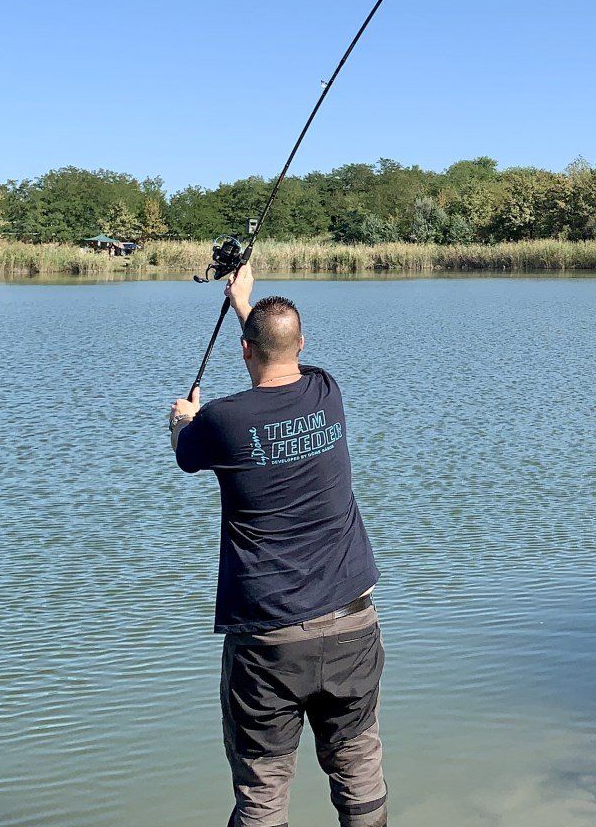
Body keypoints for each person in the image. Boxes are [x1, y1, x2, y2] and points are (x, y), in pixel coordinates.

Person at [169, 261, 387, 827]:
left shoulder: (220, 420)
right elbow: (281, 356)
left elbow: (184, 453)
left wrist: (181, 419)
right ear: (302, 344)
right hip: (352, 625)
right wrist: (247, 304)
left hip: (268, 640)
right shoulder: (326, 391)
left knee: (263, 795)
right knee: (360, 775)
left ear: (243, 351)